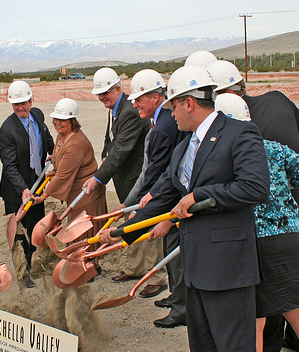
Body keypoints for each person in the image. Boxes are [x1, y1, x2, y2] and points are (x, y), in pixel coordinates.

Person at [100, 65, 270, 351]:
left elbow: (254, 188)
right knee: (202, 344)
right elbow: (165, 195)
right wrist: (120, 233)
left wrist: (198, 196)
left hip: (227, 268)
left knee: (232, 345)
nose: (171, 113)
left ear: (189, 103)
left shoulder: (240, 134)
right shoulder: (184, 147)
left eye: (174, 106)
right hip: (195, 269)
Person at [209, 59, 299, 352]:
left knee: (256, 319)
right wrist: (284, 188)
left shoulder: (229, 153)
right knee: (298, 310)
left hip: (257, 240)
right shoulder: (273, 139)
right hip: (291, 227)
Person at [114, 70, 184, 317]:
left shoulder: (163, 129)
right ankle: (177, 297)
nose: (134, 103)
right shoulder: (162, 121)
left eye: (139, 99)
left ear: (156, 97)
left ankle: (180, 305)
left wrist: (137, 210)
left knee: (173, 248)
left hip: (171, 198)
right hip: (165, 192)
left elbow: (153, 174)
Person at [0, 80, 54, 288]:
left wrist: (54, 153)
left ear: (31, 100)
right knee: (20, 231)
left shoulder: (37, 115)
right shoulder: (6, 130)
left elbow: (46, 138)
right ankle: (24, 272)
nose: (20, 107)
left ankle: (36, 263)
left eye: (23, 103)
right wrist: (23, 189)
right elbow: (9, 165)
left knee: (37, 225)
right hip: (16, 189)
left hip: (37, 182)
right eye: (15, 104)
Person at [31, 98, 107, 242]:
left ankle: (88, 264)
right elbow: (60, 160)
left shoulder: (76, 144)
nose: (57, 123)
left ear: (72, 121)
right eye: (56, 118)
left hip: (86, 195)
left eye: (62, 120)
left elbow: (62, 177)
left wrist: (44, 195)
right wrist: (56, 167)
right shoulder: (62, 136)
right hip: (75, 194)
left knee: (83, 238)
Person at [82, 67, 150, 204]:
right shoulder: (116, 108)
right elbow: (110, 138)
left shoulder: (130, 112)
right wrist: (105, 155)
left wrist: (97, 178)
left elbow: (121, 149)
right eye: (98, 94)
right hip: (125, 178)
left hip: (135, 182)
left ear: (118, 89)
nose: (101, 97)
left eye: (104, 92)